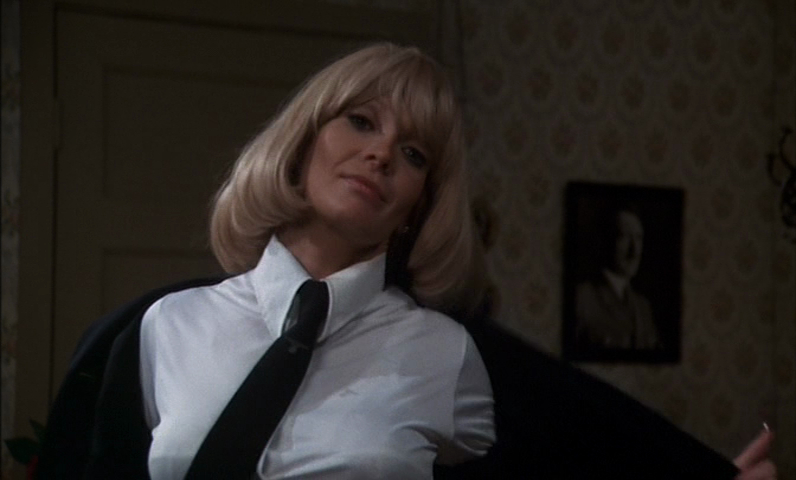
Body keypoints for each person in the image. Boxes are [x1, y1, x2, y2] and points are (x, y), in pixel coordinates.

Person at [36, 43, 776, 480]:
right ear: (304, 141)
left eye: (414, 153)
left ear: (420, 203)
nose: (382, 152)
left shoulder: (448, 356)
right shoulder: (166, 327)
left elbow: (578, 439)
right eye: (360, 122)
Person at [575, 203, 660, 351]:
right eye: (624, 237)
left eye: (638, 238)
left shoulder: (643, 307)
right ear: (606, 240)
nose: (634, 250)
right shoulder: (582, 298)